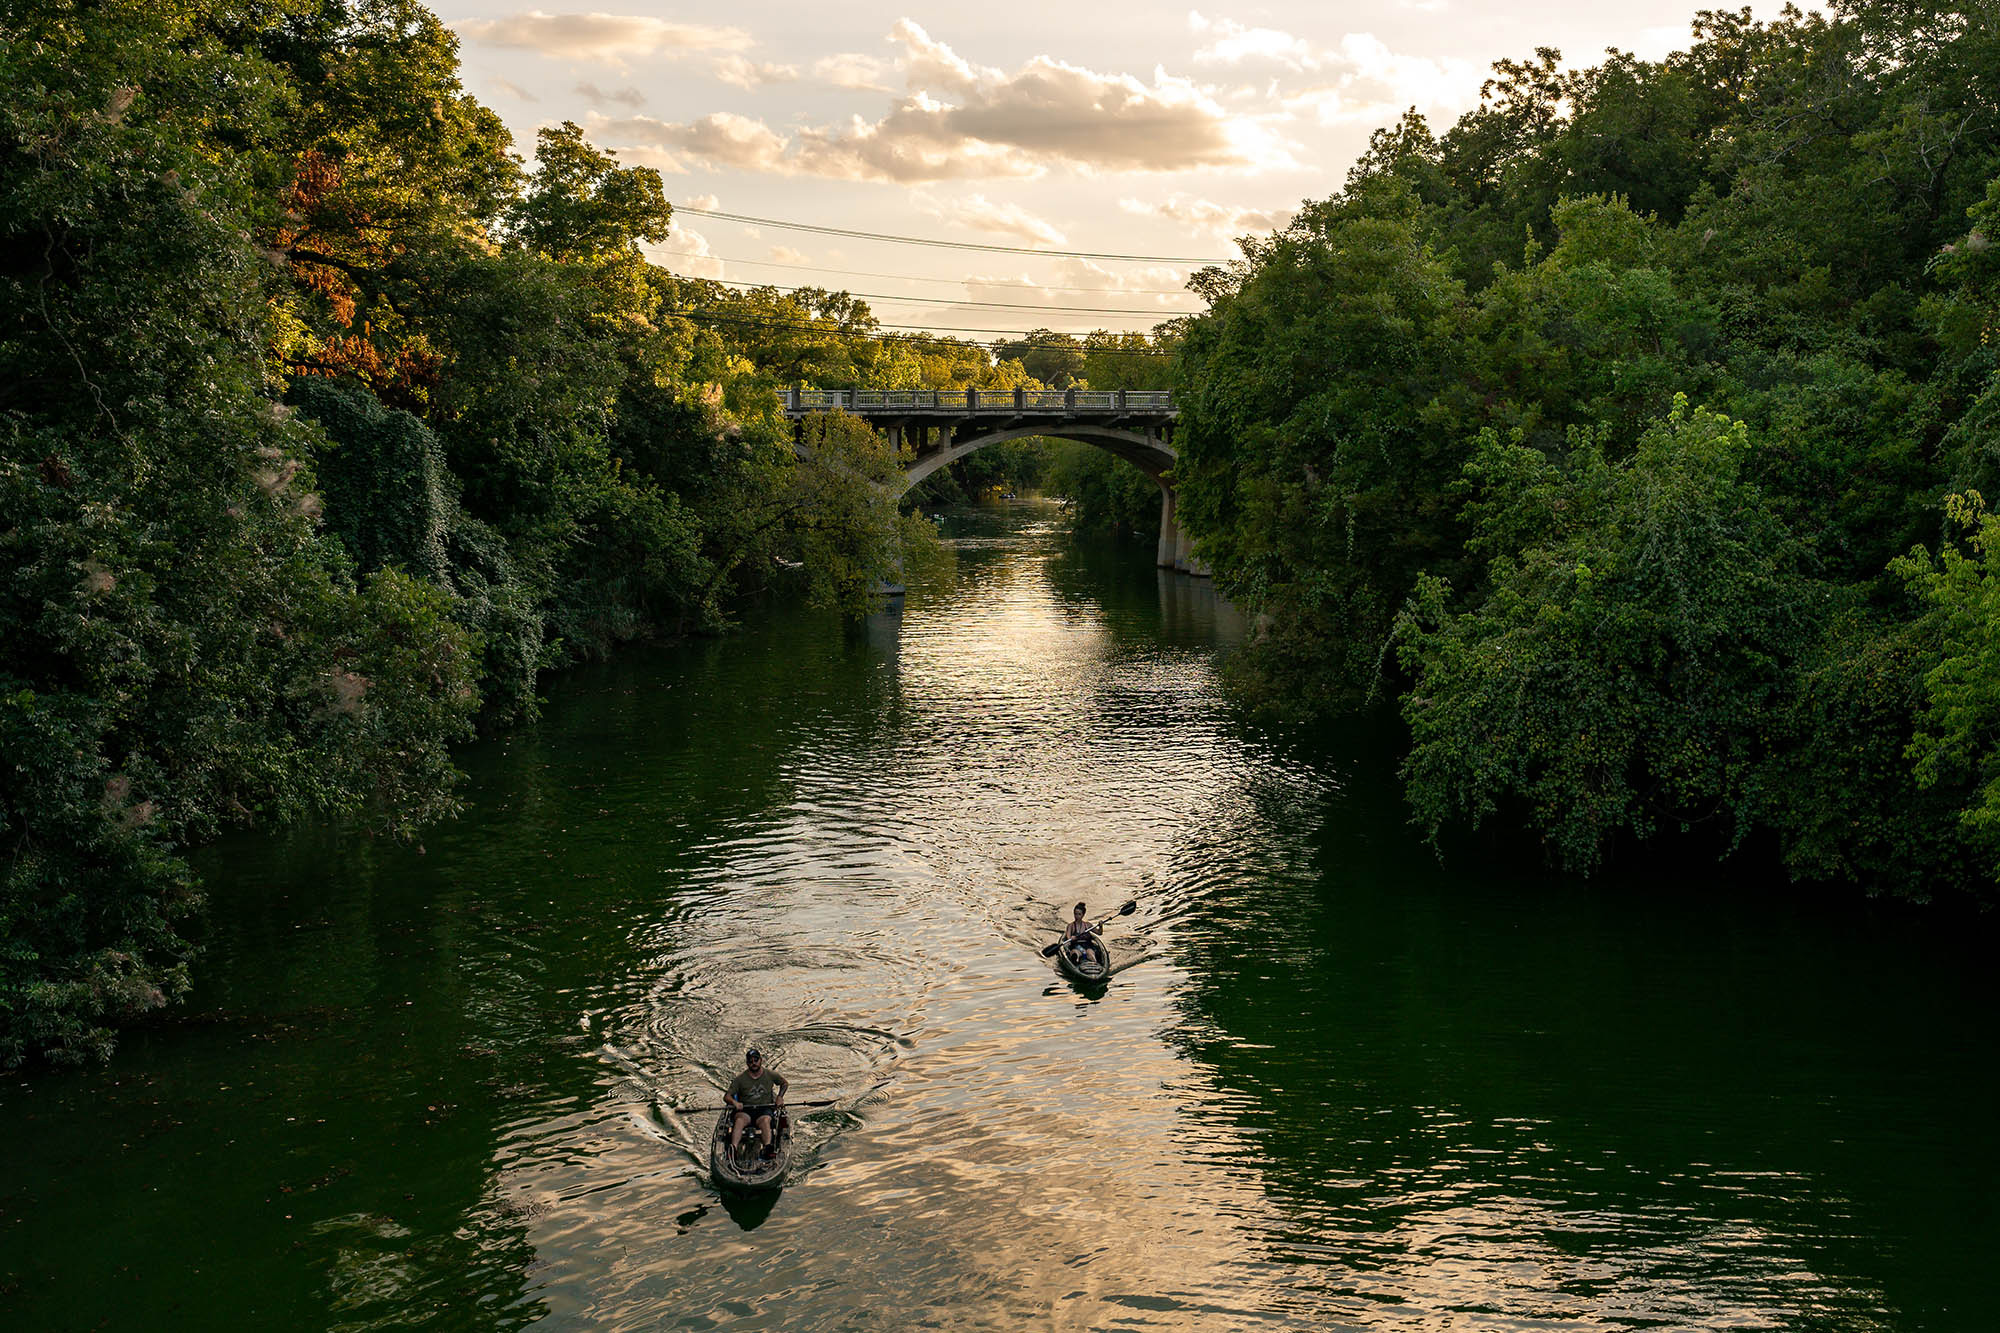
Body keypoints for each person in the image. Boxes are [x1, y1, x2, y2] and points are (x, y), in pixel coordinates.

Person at [725, 1048, 788, 1161]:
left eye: (756, 1060)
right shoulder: (740, 1079)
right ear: (747, 1063)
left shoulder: (770, 1074)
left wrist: (779, 1097)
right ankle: (733, 1150)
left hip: (764, 1109)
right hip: (746, 1111)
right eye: (750, 1061)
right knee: (739, 1120)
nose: (753, 1063)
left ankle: (767, 1148)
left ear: (761, 1060)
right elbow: (727, 1096)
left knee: (765, 1121)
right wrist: (734, 1102)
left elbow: (784, 1083)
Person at [1063, 902, 1102, 967]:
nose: (1077, 916)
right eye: (1075, 914)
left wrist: (1101, 926)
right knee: (1075, 953)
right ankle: (1075, 960)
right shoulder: (1070, 926)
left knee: (1090, 953)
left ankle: (1094, 963)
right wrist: (1071, 938)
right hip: (1076, 946)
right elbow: (1068, 937)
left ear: (1083, 915)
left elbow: (1099, 933)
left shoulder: (1088, 925)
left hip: (1088, 946)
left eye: (1079, 914)